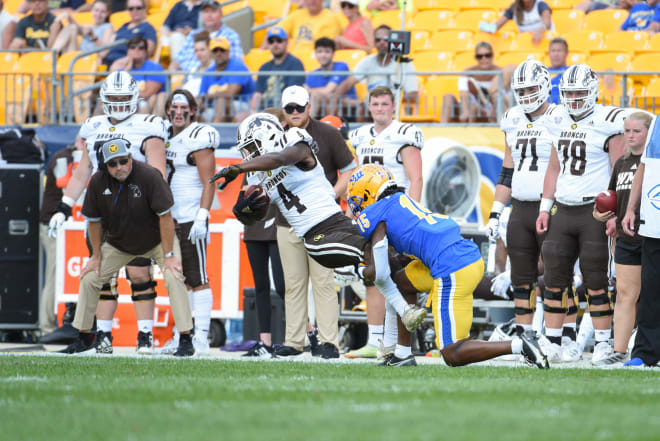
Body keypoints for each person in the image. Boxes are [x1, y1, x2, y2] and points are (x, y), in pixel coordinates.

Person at [210, 112, 428, 358]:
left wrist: (238, 167)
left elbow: (281, 158)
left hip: (336, 222)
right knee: (373, 260)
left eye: (251, 146)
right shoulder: (257, 173)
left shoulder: (295, 141)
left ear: (267, 135)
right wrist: (244, 211)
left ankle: (392, 338)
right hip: (315, 236)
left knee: (391, 259)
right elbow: (256, 215)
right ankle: (402, 313)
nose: (249, 154)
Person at [347, 164, 549, 368]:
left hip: (450, 265)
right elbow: (396, 265)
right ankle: (402, 355)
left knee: (453, 353)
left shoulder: (375, 213)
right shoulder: (400, 200)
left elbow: (379, 274)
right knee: (402, 283)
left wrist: (354, 269)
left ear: (367, 193)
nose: (356, 206)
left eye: (356, 199)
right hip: (459, 253)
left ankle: (519, 345)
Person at [48, 71, 192, 355]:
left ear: (135, 99)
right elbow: (82, 174)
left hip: (142, 215)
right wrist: (63, 206)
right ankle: (99, 335)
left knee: (141, 274)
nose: (118, 104)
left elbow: (157, 174)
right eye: (112, 98)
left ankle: (147, 335)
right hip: (107, 216)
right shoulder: (93, 126)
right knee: (99, 275)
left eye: (123, 98)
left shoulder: (148, 125)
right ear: (104, 99)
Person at [59, 139, 195, 356]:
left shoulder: (149, 176)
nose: (120, 166)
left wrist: (169, 255)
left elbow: (166, 217)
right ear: (105, 166)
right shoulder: (97, 182)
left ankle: (186, 339)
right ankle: (84, 338)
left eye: (124, 160)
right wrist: (95, 255)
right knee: (90, 277)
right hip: (118, 243)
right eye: (113, 163)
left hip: (158, 240)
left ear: (131, 158)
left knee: (174, 276)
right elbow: (93, 221)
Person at [536, 64, 627, 365]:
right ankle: (555, 342)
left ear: (592, 93)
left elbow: (619, 171)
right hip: (563, 207)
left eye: (579, 94)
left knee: (596, 280)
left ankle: (602, 343)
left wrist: (614, 212)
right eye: (570, 94)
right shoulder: (556, 119)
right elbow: (554, 168)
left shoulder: (607, 122)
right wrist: (544, 207)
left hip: (594, 212)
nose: (574, 99)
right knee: (554, 280)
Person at [486, 61, 576, 359]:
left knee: (557, 274)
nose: (526, 95)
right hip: (520, 207)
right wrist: (496, 211)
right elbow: (507, 170)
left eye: (531, 89)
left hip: (550, 206)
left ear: (545, 87)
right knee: (521, 278)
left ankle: (568, 337)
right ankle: (525, 340)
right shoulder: (511, 118)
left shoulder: (560, 115)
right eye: (521, 89)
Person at [274, 85, 356, 359]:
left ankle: (329, 341)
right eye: (290, 108)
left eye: (300, 107)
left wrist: (330, 195)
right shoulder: (273, 137)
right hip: (288, 221)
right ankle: (294, 341)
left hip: (322, 220)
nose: (295, 112)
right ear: (283, 110)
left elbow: (349, 171)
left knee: (323, 282)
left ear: (310, 107)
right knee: (294, 283)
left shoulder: (329, 133)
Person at [345, 85, 423, 360]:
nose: (379, 108)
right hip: (369, 213)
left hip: (395, 212)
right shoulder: (359, 136)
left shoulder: (403, 134)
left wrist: (411, 211)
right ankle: (374, 339)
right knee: (373, 275)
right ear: (369, 107)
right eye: (375, 104)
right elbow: (356, 178)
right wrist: (350, 211)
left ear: (393, 106)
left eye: (384, 104)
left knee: (396, 275)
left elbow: (416, 178)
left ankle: (397, 343)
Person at [157, 89, 219, 356]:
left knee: (198, 278)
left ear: (192, 111)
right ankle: (181, 335)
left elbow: (209, 181)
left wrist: (203, 215)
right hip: (170, 218)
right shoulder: (163, 134)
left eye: (184, 108)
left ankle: (202, 338)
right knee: (177, 280)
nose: (178, 113)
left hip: (192, 215)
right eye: (174, 107)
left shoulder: (199, 135)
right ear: (168, 109)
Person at [593, 112, 652, 365]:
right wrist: (601, 214)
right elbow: (612, 202)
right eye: (627, 131)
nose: (630, 136)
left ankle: (648, 349)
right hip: (627, 239)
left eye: (636, 131)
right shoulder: (622, 164)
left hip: (652, 236)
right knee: (625, 293)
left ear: (649, 133)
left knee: (652, 295)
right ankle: (619, 351)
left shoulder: (655, 163)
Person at [622, 113, 660, 367]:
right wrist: (631, 209)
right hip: (654, 223)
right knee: (651, 291)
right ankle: (645, 354)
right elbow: (644, 168)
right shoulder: (657, 121)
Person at [39, 141, 82, 335]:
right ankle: (47, 327)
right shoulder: (63, 157)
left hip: (70, 225)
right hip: (53, 224)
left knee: (67, 275)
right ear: (80, 142)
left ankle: (71, 321)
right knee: (55, 275)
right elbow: (63, 183)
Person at [337, 25, 418, 103]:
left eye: (386, 39)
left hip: (394, 107)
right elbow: (348, 83)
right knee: (361, 108)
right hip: (371, 107)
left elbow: (413, 94)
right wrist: (334, 98)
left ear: (393, 41)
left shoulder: (404, 63)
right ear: (374, 43)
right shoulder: (367, 61)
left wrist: (387, 101)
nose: (382, 42)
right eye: (378, 40)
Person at [169, 0, 243, 73]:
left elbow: (235, 64)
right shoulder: (193, 34)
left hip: (212, 78)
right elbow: (177, 60)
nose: (209, 15)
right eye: (206, 12)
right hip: (186, 77)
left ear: (221, 15)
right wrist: (173, 72)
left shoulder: (231, 35)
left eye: (213, 11)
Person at [442, 41, 508, 123]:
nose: (484, 59)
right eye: (480, 56)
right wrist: (465, 111)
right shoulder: (468, 72)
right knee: (448, 97)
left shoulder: (502, 72)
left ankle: (469, 133)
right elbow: (463, 94)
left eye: (487, 55)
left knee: (473, 107)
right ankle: (441, 129)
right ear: (476, 58)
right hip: (472, 109)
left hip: (492, 111)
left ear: (492, 56)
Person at [249, 27, 305, 113]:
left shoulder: (295, 64)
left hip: (288, 110)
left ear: (286, 42)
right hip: (265, 110)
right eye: (271, 41)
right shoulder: (264, 67)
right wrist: (252, 113)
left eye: (279, 40)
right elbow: (258, 94)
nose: (275, 44)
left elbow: (292, 95)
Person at [199, 36, 254, 123]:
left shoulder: (238, 66)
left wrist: (210, 96)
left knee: (222, 100)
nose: (219, 53)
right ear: (211, 53)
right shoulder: (208, 72)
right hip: (213, 108)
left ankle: (215, 133)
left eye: (222, 50)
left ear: (228, 52)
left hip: (241, 106)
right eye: (215, 50)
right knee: (192, 109)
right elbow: (202, 97)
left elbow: (231, 93)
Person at [112, 35, 167, 115]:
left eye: (141, 48)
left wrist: (124, 93)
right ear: (128, 51)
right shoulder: (123, 71)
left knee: (156, 97)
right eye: (132, 47)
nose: (136, 50)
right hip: (126, 103)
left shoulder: (155, 67)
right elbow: (113, 91)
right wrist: (128, 68)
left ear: (146, 52)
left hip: (144, 104)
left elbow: (147, 94)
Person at [305, 37, 357, 118]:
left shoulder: (342, 66)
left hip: (347, 107)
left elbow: (328, 90)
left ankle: (306, 126)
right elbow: (306, 95)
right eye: (319, 51)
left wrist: (310, 91)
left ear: (333, 53)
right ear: (315, 54)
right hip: (322, 110)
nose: (323, 55)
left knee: (317, 95)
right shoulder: (313, 74)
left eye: (327, 51)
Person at [104, 0, 157, 69]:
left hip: (124, 64)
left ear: (145, 9)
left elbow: (148, 51)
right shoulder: (124, 26)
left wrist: (126, 60)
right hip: (107, 62)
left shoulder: (148, 28)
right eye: (131, 8)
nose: (135, 11)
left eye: (138, 8)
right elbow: (109, 45)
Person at [49, 0, 114, 55]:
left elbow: (104, 51)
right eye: (96, 10)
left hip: (90, 59)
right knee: (72, 28)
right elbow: (78, 27)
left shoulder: (108, 27)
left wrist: (93, 36)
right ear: (92, 11)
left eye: (102, 11)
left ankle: (51, 55)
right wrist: (69, 17)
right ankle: (52, 54)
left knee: (72, 28)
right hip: (77, 57)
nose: (98, 14)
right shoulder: (90, 26)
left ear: (108, 13)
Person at [273, 0, 343, 52]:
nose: (312, 1)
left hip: (318, 60)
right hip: (295, 59)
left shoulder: (331, 18)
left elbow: (326, 48)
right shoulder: (297, 14)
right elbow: (275, 31)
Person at [181, 31, 213, 97]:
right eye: (196, 50)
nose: (199, 53)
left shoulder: (217, 70)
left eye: (202, 50)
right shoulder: (191, 71)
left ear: (210, 50)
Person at [547, 37, 568, 105]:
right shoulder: (542, 72)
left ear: (566, 53)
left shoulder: (572, 72)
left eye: (559, 51)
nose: (556, 54)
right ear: (549, 53)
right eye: (553, 51)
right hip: (543, 113)